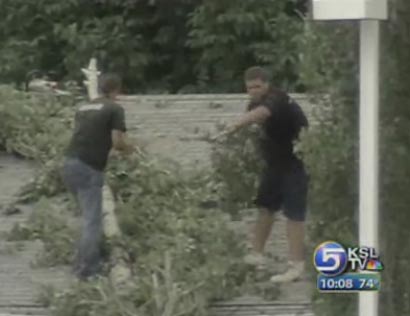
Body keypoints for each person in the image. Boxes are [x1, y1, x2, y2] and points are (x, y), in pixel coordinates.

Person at [215, 66, 309, 283]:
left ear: (267, 85)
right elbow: (259, 129)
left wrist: (233, 126)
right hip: (275, 165)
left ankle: (296, 266)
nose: (254, 91)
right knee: (266, 208)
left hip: (297, 164)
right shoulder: (254, 104)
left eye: (257, 86)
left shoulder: (277, 98)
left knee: (294, 214)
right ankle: (256, 256)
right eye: (249, 87)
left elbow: (262, 114)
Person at [61, 73, 135, 280]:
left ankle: (81, 262)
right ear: (116, 91)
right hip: (88, 168)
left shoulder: (83, 108)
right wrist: (133, 150)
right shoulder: (114, 109)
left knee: (86, 217)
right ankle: (88, 270)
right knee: (93, 221)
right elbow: (117, 142)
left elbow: (90, 136)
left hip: (69, 164)